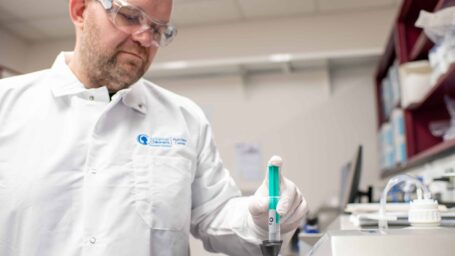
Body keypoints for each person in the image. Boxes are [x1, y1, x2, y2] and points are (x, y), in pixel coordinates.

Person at [0, 0, 307, 255]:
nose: (146, 38)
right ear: (80, 10)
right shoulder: (7, 106)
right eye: (131, 16)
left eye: (159, 29)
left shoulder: (184, 118)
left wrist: (259, 218)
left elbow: (214, 215)